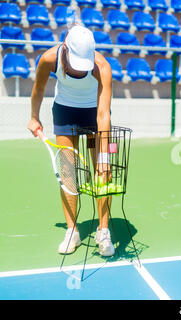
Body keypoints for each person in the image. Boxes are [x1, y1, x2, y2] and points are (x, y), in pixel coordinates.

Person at [27, 25, 115, 257]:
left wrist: (105, 158)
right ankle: (72, 231)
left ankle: (103, 231)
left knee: (103, 172)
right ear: (65, 49)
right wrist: (34, 117)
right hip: (65, 113)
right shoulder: (48, 58)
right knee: (68, 173)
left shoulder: (102, 67)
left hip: (93, 115)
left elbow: (104, 114)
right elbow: (38, 89)